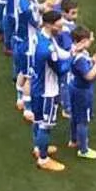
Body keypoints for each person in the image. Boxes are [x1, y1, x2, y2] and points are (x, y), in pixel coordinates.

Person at [26, 10, 73, 172]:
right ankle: (43, 159)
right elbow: (61, 69)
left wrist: (72, 51)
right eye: (58, 26)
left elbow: (59, 52)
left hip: (37, 86)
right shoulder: (47, 49)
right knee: (45, 126)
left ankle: (38, 148)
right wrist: (73, 58)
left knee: (38, 120)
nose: (61, 28)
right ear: (48, 24)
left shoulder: (41, 36)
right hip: (48, 91)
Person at [68, 26, 96, 160]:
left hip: (74, 88)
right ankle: (83, 150)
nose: (92, 40)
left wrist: (92, 59)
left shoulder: (75, 50)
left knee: (75, 115)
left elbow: (84, 64)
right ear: (83, 41)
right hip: (83, 92)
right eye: (89, 39)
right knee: (83, 121)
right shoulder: (80, 58)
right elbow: (89, 76)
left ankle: (74, 140)